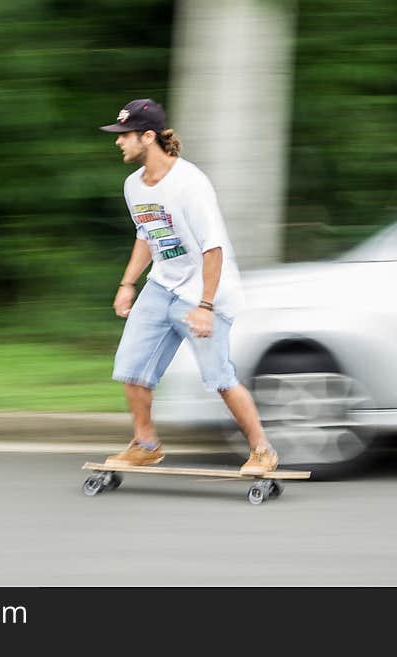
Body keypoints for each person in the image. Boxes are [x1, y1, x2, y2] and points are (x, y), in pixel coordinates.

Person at [98, 98, 278, 476]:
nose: (118, 142)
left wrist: (205, 306)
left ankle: (262, 449)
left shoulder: (189, 183)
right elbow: (147, 235)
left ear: (148, 137)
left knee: (219, 378)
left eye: (124, 135)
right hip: (162, 285)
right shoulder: (134, 186)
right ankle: (145, 444)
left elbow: (213, 250)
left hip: (206, 290)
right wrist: (127, 283)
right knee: (131, 369)